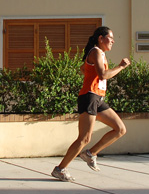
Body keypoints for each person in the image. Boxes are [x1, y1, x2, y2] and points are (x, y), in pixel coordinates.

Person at [51, 26, 131, 182]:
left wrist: (89, 75)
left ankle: (90, 154)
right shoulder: (95, 52)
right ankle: (60, 169)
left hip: (98, 98)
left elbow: (83, 68)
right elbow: (102, 75)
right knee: (84, 138)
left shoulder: (98, 54)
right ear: (101, 38)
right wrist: (121, 66)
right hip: (90, 97)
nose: (113, 41)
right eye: (111, 38)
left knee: (120, 129)